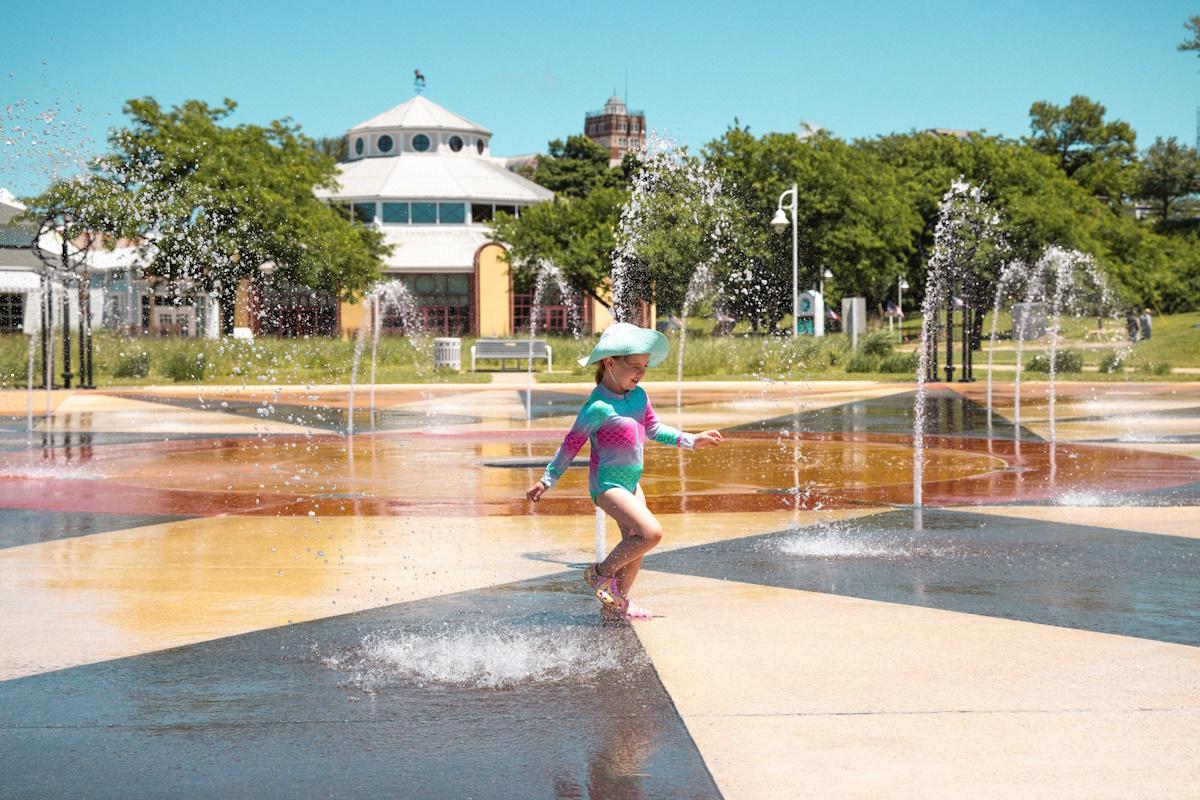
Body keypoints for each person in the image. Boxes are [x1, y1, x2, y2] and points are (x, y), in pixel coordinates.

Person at [526, 323, 723, 621]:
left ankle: (616, 606)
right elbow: (571, 443)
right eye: (634, 367)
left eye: (644, 366)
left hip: (631, 484)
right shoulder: (598, 407)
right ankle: (599, 574)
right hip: (607, 486)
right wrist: (547, 479)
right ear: (610, 362)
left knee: (635, 545)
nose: (641, 373)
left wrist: (692, 440)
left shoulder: (639, 396)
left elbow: (654, 429)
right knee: (650, 533)